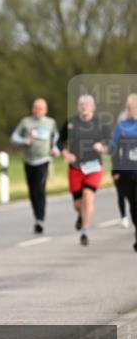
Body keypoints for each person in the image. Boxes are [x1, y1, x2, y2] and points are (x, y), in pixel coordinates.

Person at [58, 95, 111, 246]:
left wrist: (103, 147)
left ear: (93, 107)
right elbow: (59, 141)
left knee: (88, 197)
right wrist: (66, 153)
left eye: (87, 104)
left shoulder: (100, 124)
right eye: (81, 104)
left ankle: (84, 231)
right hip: (76, 167)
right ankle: (81, 215)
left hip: (94, 166)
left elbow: (111, 143)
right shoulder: (71, 124)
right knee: (78, 204)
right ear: (77, 107)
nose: (84, 107)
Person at [10, 98, 60, 234]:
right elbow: (13, 138)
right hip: (28, 160)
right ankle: (36, 216)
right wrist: (24, 141)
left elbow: (56, 137)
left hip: (43, 160)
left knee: (40, 189)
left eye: (40, 108)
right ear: (32, 109)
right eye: (35, 108)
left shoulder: (50, 122)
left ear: (46, 110)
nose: (38, 110)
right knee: (32, 190)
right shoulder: (26, 122)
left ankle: (40, 219)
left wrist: (55, 148)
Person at [110, 94, 137, 252]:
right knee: (133, 204)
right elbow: (114, 149)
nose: (129, 110)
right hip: (126, 172)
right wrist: (115, 170)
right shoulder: (121, 126)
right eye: (128, 107)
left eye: (131, 107)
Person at [112, 108, 133, 231]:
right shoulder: (116, 136)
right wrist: (115, 171)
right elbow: (114, 154)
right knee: (120, 193)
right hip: (119, 170)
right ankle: (123, 216)